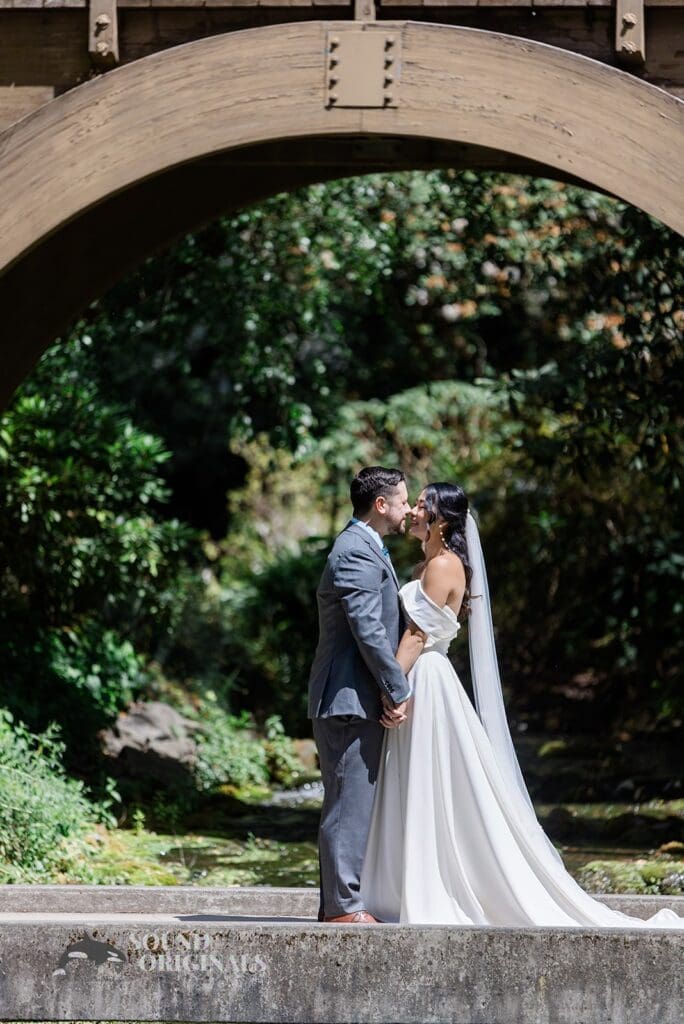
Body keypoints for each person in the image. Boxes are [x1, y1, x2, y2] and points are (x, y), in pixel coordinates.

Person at [361, 481, 684, 929]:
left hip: (426, 680)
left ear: (442, 521)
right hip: (420, 677)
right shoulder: (427, 564)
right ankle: (406, 883)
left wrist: (389, 688)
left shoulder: (444, 565)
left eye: (421, 505)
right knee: (418, 781)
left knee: (434, 782)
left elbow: (417, 636)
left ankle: (432, 885)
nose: (413, 512)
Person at [308, 467, 424, 924]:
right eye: (403, 501)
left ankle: (339, 904)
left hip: (355, 695)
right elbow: (367, 628)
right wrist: (397, 688)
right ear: (381, 504)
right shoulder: (354, 549)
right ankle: (342, 908)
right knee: (346, 801)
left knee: (352, 799)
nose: (407, 509)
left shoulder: (365, 545)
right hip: (347, 696)